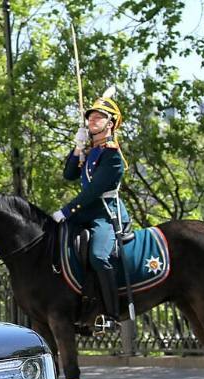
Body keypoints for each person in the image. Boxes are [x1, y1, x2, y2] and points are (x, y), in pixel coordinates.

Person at [51, 86, 129, 333]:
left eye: (99, 117)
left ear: (111, 123)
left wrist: (66, 210)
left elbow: (93, 191)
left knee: (98, 256)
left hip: (106, 213)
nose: (92, 120)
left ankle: (112, 315)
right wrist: (77, 148)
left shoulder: (112, 156)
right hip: (88, 212)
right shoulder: (91, 151)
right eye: (90, 117)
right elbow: (69, 174)